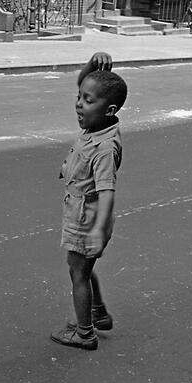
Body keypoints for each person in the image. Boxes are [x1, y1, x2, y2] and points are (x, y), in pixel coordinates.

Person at [50, 52, 127, 350]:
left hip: (87, 219)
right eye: (80, 97)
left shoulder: (105, 147)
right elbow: (85, 82)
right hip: (82, 213)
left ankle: (84, 333)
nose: (79, 104)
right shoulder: (97, 125)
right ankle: (97, 313)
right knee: (83, 267)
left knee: (78, 272)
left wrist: (97, 229)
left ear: (108, 109)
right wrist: (92, 66)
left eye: (88, 100)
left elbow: (108, 190)